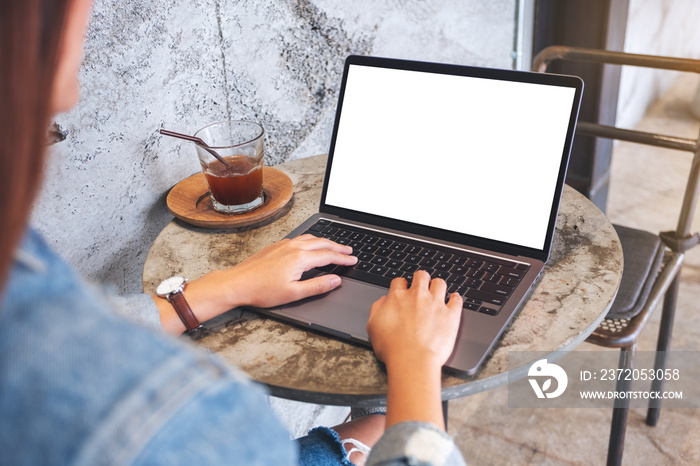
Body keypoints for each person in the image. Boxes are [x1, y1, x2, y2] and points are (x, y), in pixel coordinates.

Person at [0, 0, 468, 464]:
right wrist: (415, 360)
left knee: (385, 413)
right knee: (403, 414)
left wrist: (227, 285)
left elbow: (77, 344)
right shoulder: (193, 417)